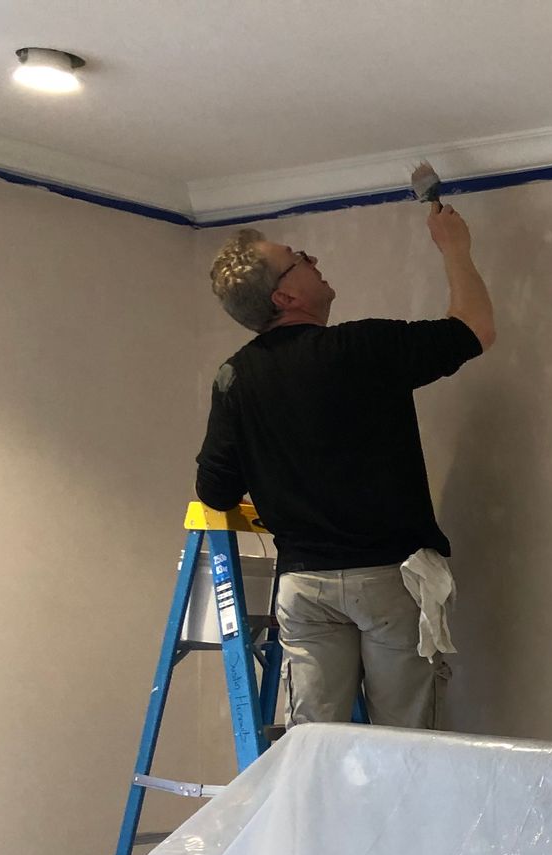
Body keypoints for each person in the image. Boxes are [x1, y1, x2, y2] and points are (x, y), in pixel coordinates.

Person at [194, 202, 494, 729]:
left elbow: (215, 491)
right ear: (284, 297)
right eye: (297, 258)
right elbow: (474, 329)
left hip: (304, 588)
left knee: (316, 742)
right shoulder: (360, 348)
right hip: (387, 578)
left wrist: (284, 482)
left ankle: (318, 814)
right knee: (402, 741)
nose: (313, 258)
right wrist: (454, 247)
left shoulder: (235, 378)